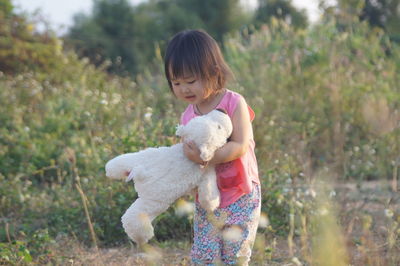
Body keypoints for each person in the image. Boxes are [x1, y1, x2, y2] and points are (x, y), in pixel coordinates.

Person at [164, 29, 261, 265]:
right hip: (208, 197)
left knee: (234, 254)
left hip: (241, 191)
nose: (184, 89)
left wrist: (205, 157)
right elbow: (188, 155)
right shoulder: (188, 115)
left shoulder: (234, 102)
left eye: (190, 81)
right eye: (176, 83)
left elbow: (240, 145)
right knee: (204, 255)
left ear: (213, 73)